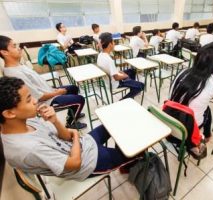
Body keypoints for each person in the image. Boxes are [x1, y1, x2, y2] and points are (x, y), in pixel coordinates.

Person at [0, 76, 134, 181]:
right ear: (9, 113)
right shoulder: (26, 149)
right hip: (89, 164)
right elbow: (75, 163)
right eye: (29, 100)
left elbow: (65, 137)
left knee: (114, 123)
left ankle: (125, 159)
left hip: (83, 144)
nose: (35, 100)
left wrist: (55, 122)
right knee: (138, 151)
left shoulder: (26, 121)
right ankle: (128, 164)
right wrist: (75, 134)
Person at [0, 35, 87, 129]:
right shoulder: (15, 74)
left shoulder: (18, 65)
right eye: (14, 46)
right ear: (4, 52)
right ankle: (71, 123)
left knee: (73, 88)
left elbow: (38, 84)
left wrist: (54, 90)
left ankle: (73, 113)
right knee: (79, 99)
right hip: (44, 101)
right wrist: (57, 93)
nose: (19, 48)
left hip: (47, 91)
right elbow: (38, 96)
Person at [170, 42, 213, 157]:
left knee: (203, 108)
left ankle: (201, 137)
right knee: (207, 111)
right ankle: (205, 136)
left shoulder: (182, 72)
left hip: (171, 119)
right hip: (189, 127)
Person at [97, 32, 144, 99]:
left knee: (132, 71)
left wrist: (119, 72)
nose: (114, 43)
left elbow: (112, 71)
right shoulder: (108, 60)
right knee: (141, 86)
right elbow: (116, 77)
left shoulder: (100, 55)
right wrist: (125, 75)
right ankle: (123, 101)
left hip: (109, 80)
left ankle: (132, 87)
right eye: (113, 41)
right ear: (110, 44)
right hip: (116, 83)